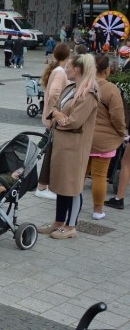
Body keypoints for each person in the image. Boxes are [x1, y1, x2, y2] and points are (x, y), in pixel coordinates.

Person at [38, 54, 99, 239]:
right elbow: (55, 108)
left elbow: (73, 121)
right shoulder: (72, 88)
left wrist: (56, 115)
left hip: (75, 147)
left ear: (77, 70)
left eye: (68, 68)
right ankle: (58, 222)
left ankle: (71, 226)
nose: (65, 71)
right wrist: (56, 114)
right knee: (61, 185)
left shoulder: (88, 93)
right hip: (62, 144)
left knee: (72, 186)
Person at [88, 54, 127, 219]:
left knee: (79, 174)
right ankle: (98, 210)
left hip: (83, 137)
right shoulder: (111, 89)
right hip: (104, 141)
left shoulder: (84, 85)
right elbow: (117, 117)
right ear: (106, 69)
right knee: (99, 175)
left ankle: (71, 204)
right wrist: (122, 132)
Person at [35, 43, 71, 200]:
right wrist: (58, 111)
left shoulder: (57, 70)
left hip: (51, 118)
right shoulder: (60, 72)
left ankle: (44, 185)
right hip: (54, 119)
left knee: (47, 151)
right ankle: (42, 186)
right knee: (49, 153)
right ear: (68, 56)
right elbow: (54, 94)